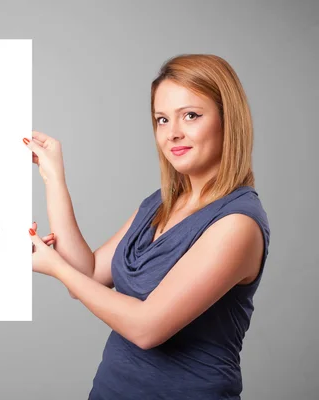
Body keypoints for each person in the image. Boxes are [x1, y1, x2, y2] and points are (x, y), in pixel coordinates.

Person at [24, 54, 271, 399]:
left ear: (228, 120)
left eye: (191, 115)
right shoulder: (163, 200)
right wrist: (53, 177)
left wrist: (54, 267)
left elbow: (146, 328)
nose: (173, 134)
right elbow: (90, 273)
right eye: (162, 119)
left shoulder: (237, 224)